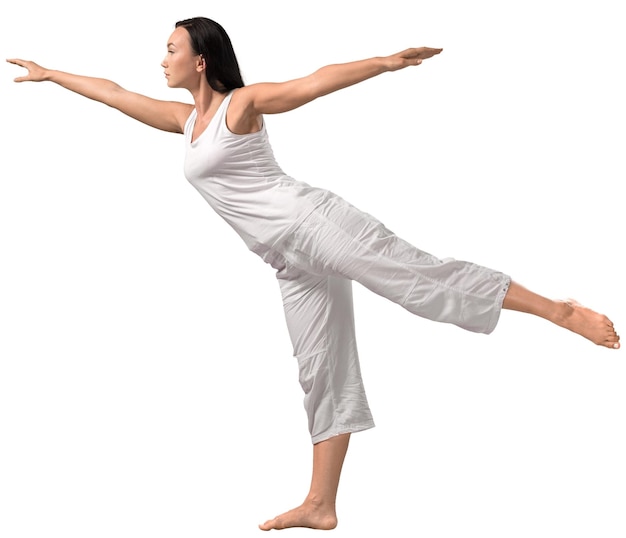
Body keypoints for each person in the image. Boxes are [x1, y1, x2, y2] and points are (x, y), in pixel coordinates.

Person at [7, 16, 620, 532]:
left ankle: (559, 312)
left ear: (201, 60)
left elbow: (309, 84)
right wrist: (53, 75)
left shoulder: (239, 107)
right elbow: (113, 92)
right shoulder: (183, 123)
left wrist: (380, 63)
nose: (160, 58)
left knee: (421, 285)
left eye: (171, 48)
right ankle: (321, 504)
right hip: (286, 258)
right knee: (320, 364)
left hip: (316, 224)